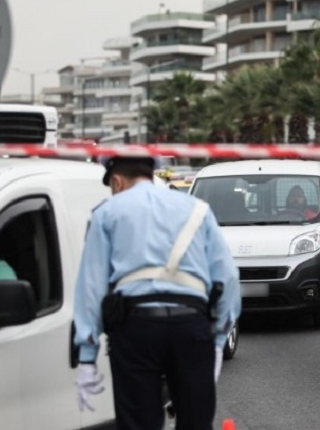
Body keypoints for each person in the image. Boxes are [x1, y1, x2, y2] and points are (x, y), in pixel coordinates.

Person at [73, 156, 241, 430]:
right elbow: (228, 278)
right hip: (192, 327)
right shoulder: (198, 209)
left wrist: (87, 357)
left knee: (139, 423)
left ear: (116, 181)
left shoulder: (107, 213)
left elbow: (91, 289)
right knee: (196, 423)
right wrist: (219, 340)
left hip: (135, 329)